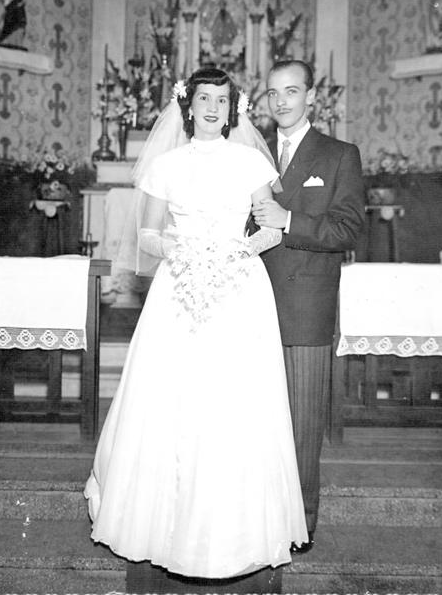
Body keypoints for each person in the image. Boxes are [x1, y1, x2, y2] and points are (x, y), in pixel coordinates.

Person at [84, 67, 309, 582]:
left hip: (237, 288)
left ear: (235, 110)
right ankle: (162, 527)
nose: (212, 108)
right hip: (180, 288)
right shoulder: (165, 165)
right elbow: (145, 235)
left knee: (233, 398)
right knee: (173, 397)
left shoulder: (252, 161)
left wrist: (237, 252)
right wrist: (181, 251)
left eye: (222, 100)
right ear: (188, 105)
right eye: (203, 98)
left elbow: (271, 229)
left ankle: (236, 532)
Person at [252, 59, 365, 552]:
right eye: (274, 93)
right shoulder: (250, 152)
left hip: (305, 305)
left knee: (301, 423)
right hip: (249, 302)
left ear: (311, 97)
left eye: (291, 92)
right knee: (253, 416)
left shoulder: (339, 154)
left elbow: (347, 229)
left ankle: (301, 522)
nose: (281, 102)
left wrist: (289, 219)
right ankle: (254, 514)